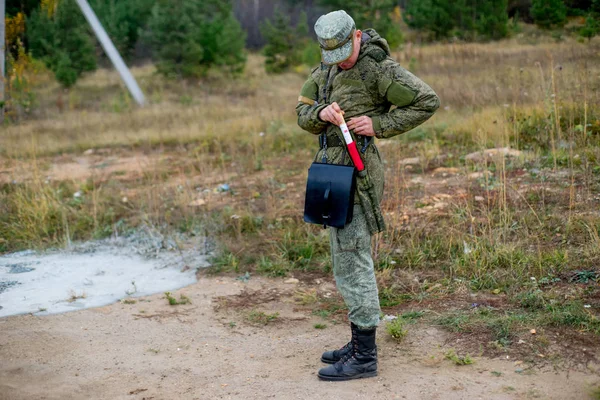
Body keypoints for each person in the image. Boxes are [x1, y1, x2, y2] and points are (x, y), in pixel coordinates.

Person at [295, 10, 440, 381]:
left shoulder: (378, 69)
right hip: (332, 173)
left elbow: (426, 101)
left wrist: (379, 125)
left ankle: (365, 357)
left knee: (353, 258)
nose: (341, 60)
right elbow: (301, 110)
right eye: (333, 54)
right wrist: (321, 114)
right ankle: (358, 342)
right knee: (344, 257)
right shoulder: (327, 67)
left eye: (345, 50)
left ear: (357, 36)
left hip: (359, 177)